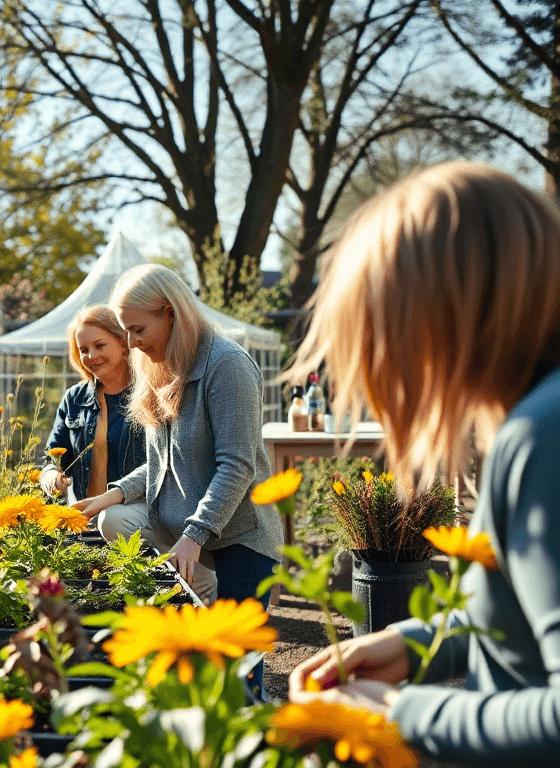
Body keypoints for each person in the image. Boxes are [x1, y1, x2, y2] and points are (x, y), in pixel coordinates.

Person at [286, 162, 560, 764]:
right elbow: (520, 624)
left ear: (442, 314)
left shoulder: (542, 436)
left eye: (383, 334)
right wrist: (414, 644)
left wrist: (398, 716)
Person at [74, 263, 283, 608]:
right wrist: (111, 496)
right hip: (180, 528)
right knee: (113, 518)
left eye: (138, 329)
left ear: (170, 313)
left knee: (234, 657)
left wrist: (194, 535)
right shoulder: (157, 368)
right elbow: (163, 463)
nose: (132, 344)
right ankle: (200, 597)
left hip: (239, 535)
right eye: (126, 331)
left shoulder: (227, 365)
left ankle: (208, 599)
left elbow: (237, 466)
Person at [40, 305, 146, 508]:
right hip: (83, 519)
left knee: (113, 519)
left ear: (124, 343)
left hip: (133, 516)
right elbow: (52, 455)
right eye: (83, 350)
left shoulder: (149, 394)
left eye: (99, 345)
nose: (91, 356)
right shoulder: (74, 398)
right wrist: (50, 475)